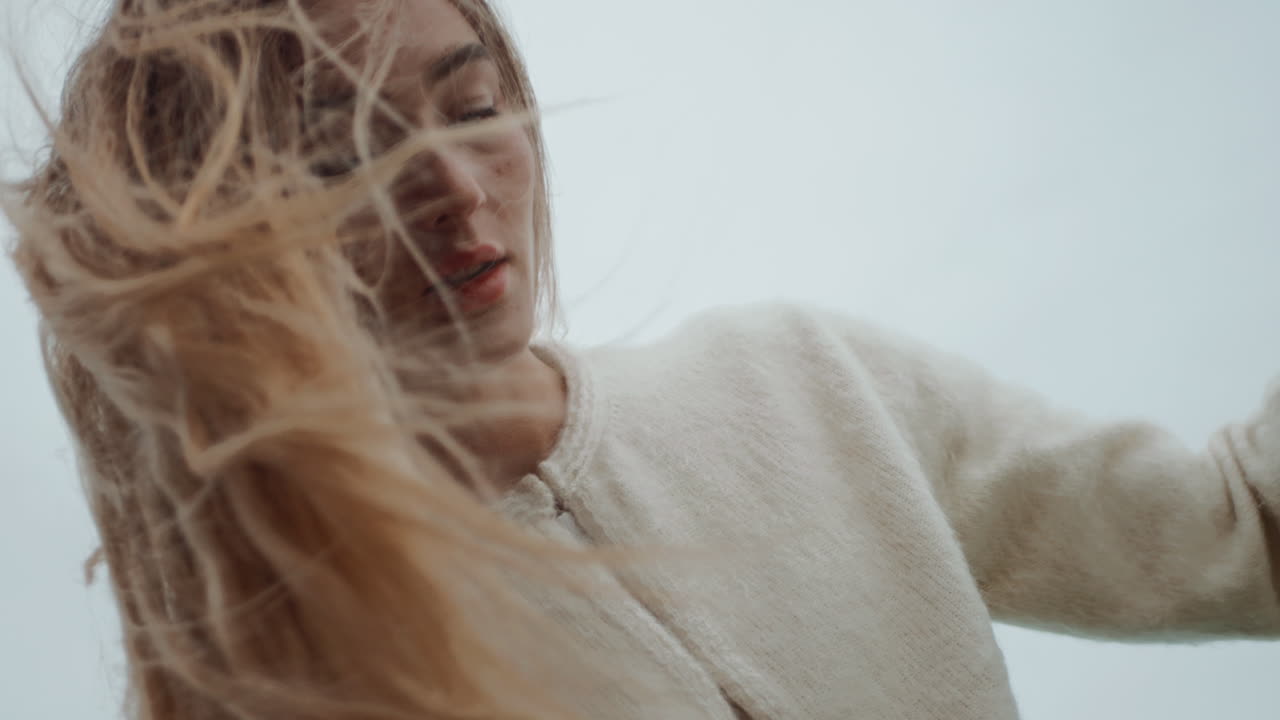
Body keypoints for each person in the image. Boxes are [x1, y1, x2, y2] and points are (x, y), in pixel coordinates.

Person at [5, 0, 1279, 718]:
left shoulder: (799, 381)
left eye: (472, 107)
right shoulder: (284, 662)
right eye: (342, 156)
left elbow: (1241, 529)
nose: (454, 188)